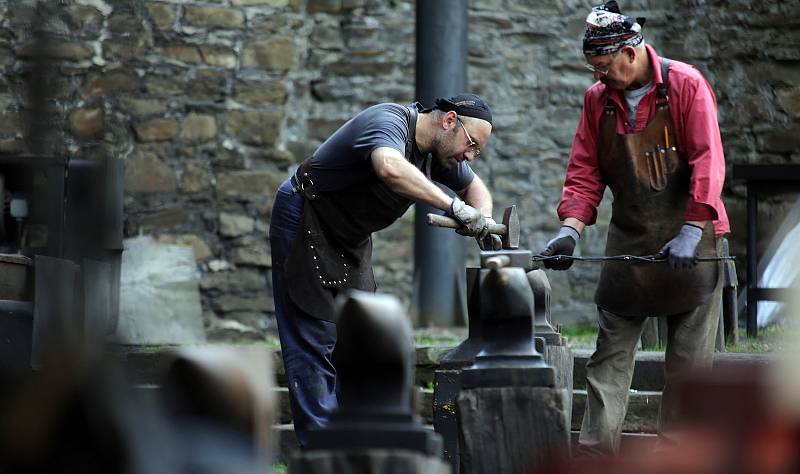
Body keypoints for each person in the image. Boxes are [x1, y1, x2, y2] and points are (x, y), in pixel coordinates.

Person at [538, 1, 730, 455]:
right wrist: (571, 229)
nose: (598, 77)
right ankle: (594, 458)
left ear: (631, 51)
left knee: (688, 367)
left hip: (694, 238)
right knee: (608, 359)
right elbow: (584, 172)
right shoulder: (597, 101)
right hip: (630, 243)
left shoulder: (686, 85)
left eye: (604, 67)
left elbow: (708, 159)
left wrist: (692, 227)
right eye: (593, 69)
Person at [269, 94, 500, 446]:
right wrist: (453, 205)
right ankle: (324, 455)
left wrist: (482, 218)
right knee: (313, 340)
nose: (470, 155)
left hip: (350, 237)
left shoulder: (436, 152)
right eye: (471, 145)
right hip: (306, 216)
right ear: (450, 121)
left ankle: (356, 446)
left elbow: (474, 187)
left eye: (477, 151)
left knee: (361, 338)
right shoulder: (388, 121)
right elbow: (389, 167)